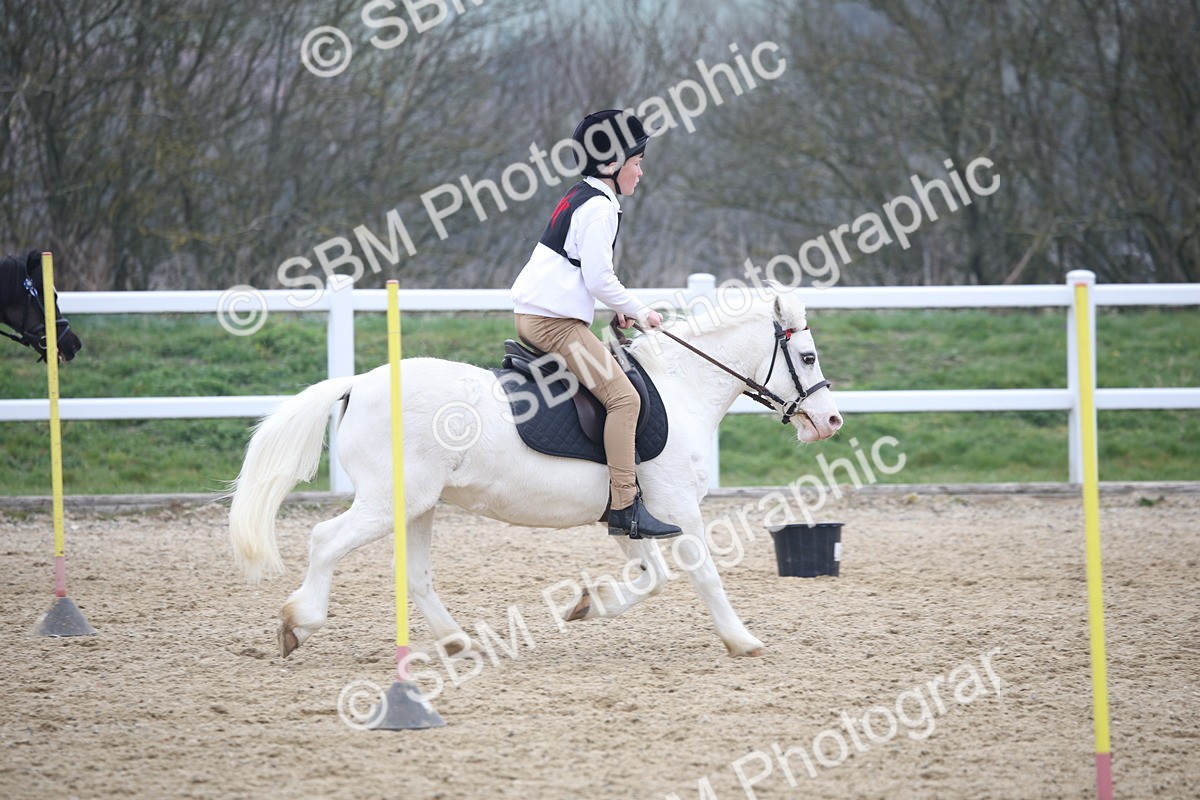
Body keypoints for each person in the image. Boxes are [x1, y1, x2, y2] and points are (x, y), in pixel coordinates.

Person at [511, 109, 681, 539]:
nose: (641, 172)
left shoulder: (581, 195)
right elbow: (599, 278)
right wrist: (642, 311)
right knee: (625, 400)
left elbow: (576, 274)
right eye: (637, 162)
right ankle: (626, 505)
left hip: (544, 315)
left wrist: (612, 310)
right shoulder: (600, 208)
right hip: (554, 325)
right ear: (611, 165)